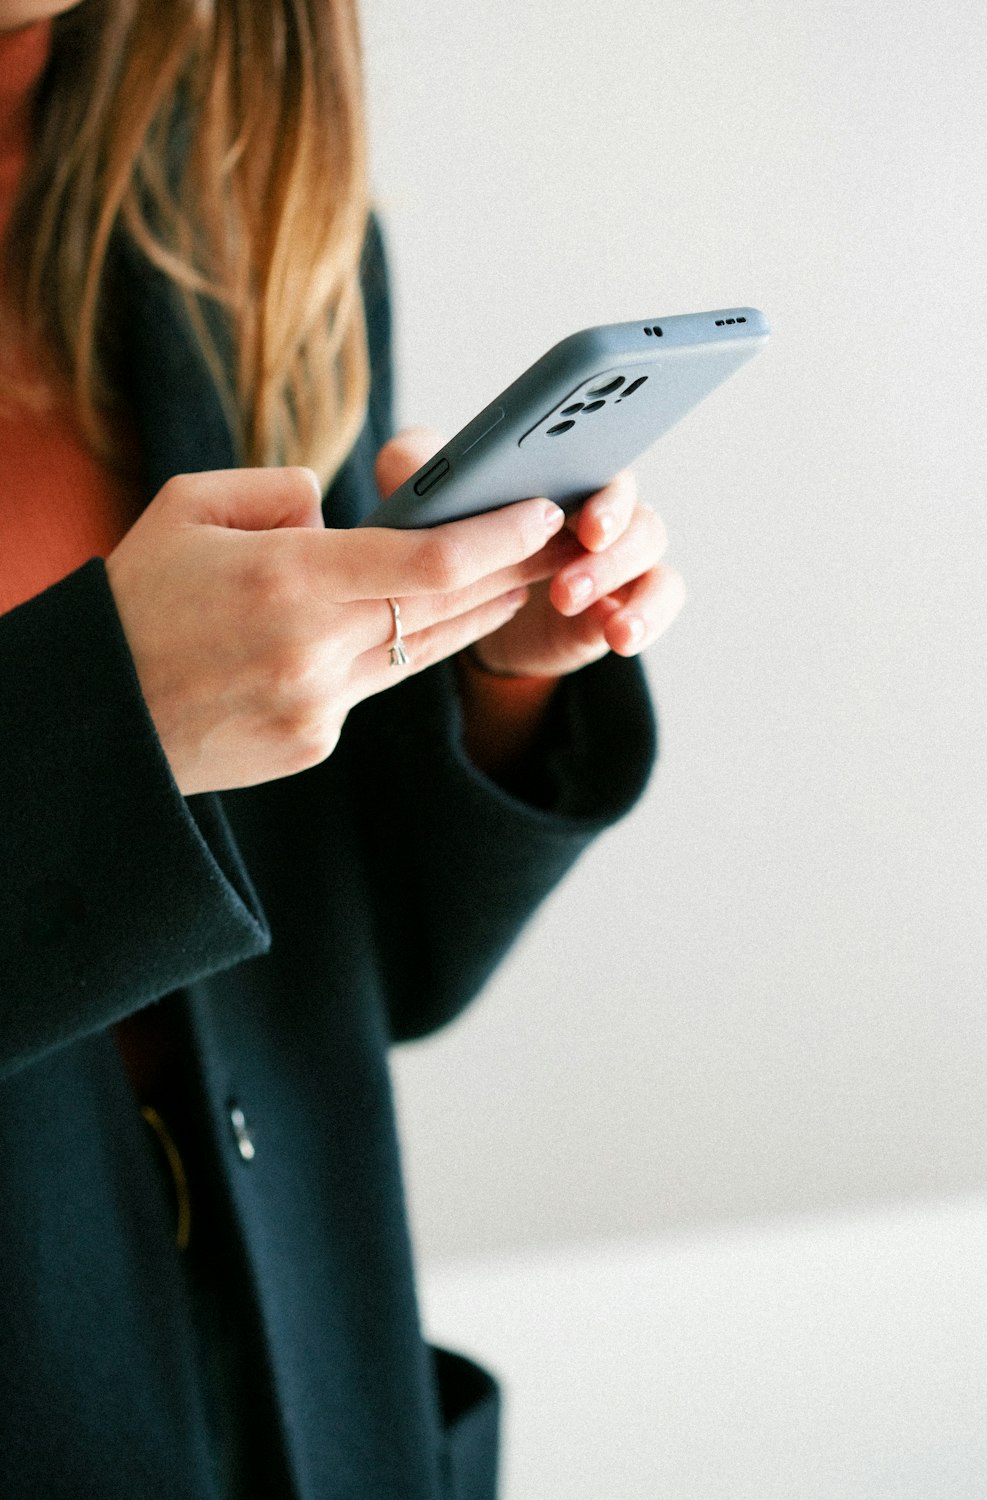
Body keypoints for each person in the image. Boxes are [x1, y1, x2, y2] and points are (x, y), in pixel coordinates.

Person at [0, 2, 684, 1496]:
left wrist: (499, 676)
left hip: (310, 1415)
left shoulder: (248, 208)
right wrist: (111, 726)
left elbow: (366, 977)